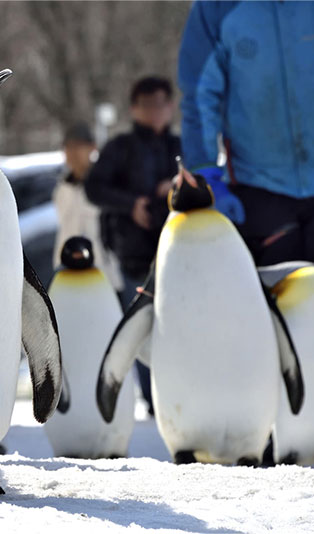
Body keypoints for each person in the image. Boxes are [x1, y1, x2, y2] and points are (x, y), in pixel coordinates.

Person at [178, 1, 314, 267]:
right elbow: (199, 97)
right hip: (258, 192)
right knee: (277, 301)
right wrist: (207, 177)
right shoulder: (216, 8)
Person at [84, 76, 182, 415]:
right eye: (149, 104)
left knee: (180, 324)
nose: (156, 111)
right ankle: (155, 399)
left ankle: (178, 392)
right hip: (134, 253)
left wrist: (173, 190)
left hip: (180, 254)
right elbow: (94, 189)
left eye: (162, 103)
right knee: (139, 327)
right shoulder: (120, 147)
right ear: (134, 108)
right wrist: (134, 204)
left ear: (172, 107)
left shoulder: (181, 148)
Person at [52, 123, 122, 291]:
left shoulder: (106, 186)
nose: (72, 153)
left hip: (103, 275)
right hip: (66, 274)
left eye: (78, 146)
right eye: (68, 147)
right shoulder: (62, 189)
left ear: (92, 148)